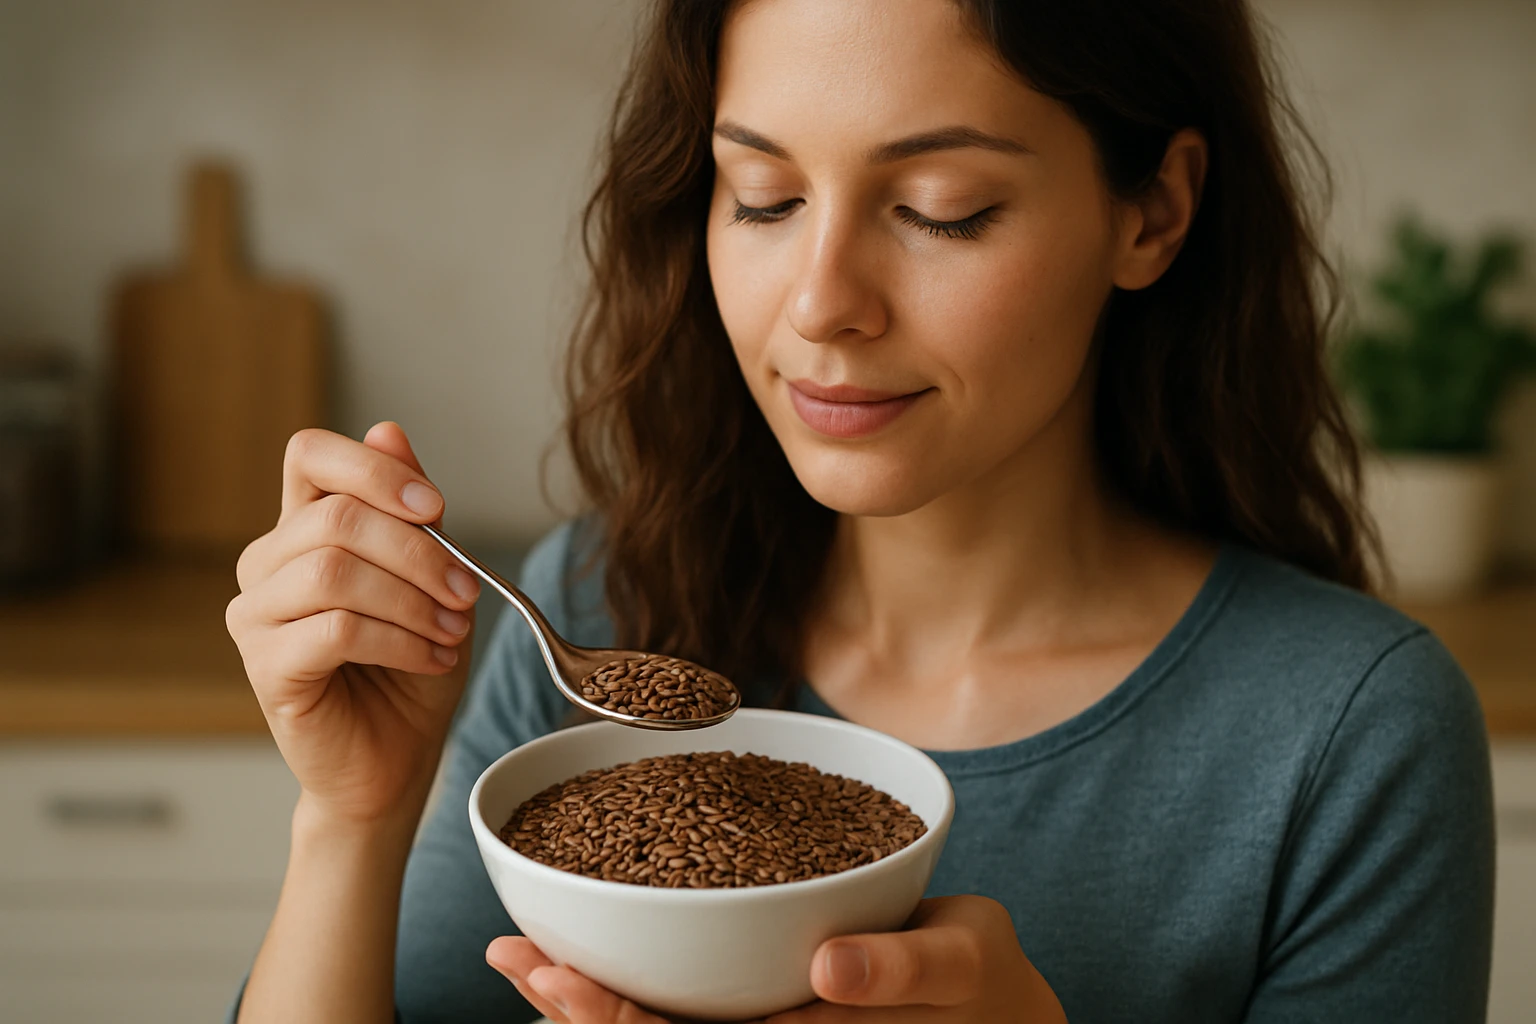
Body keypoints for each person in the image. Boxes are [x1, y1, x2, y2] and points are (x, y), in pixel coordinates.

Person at [223, 0, 1495, 1021]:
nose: (822, 302)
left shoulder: (1346, 732)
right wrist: (352, 819)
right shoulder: (598, 603)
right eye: (763, 199)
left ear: (1152, 210)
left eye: (942, 210)